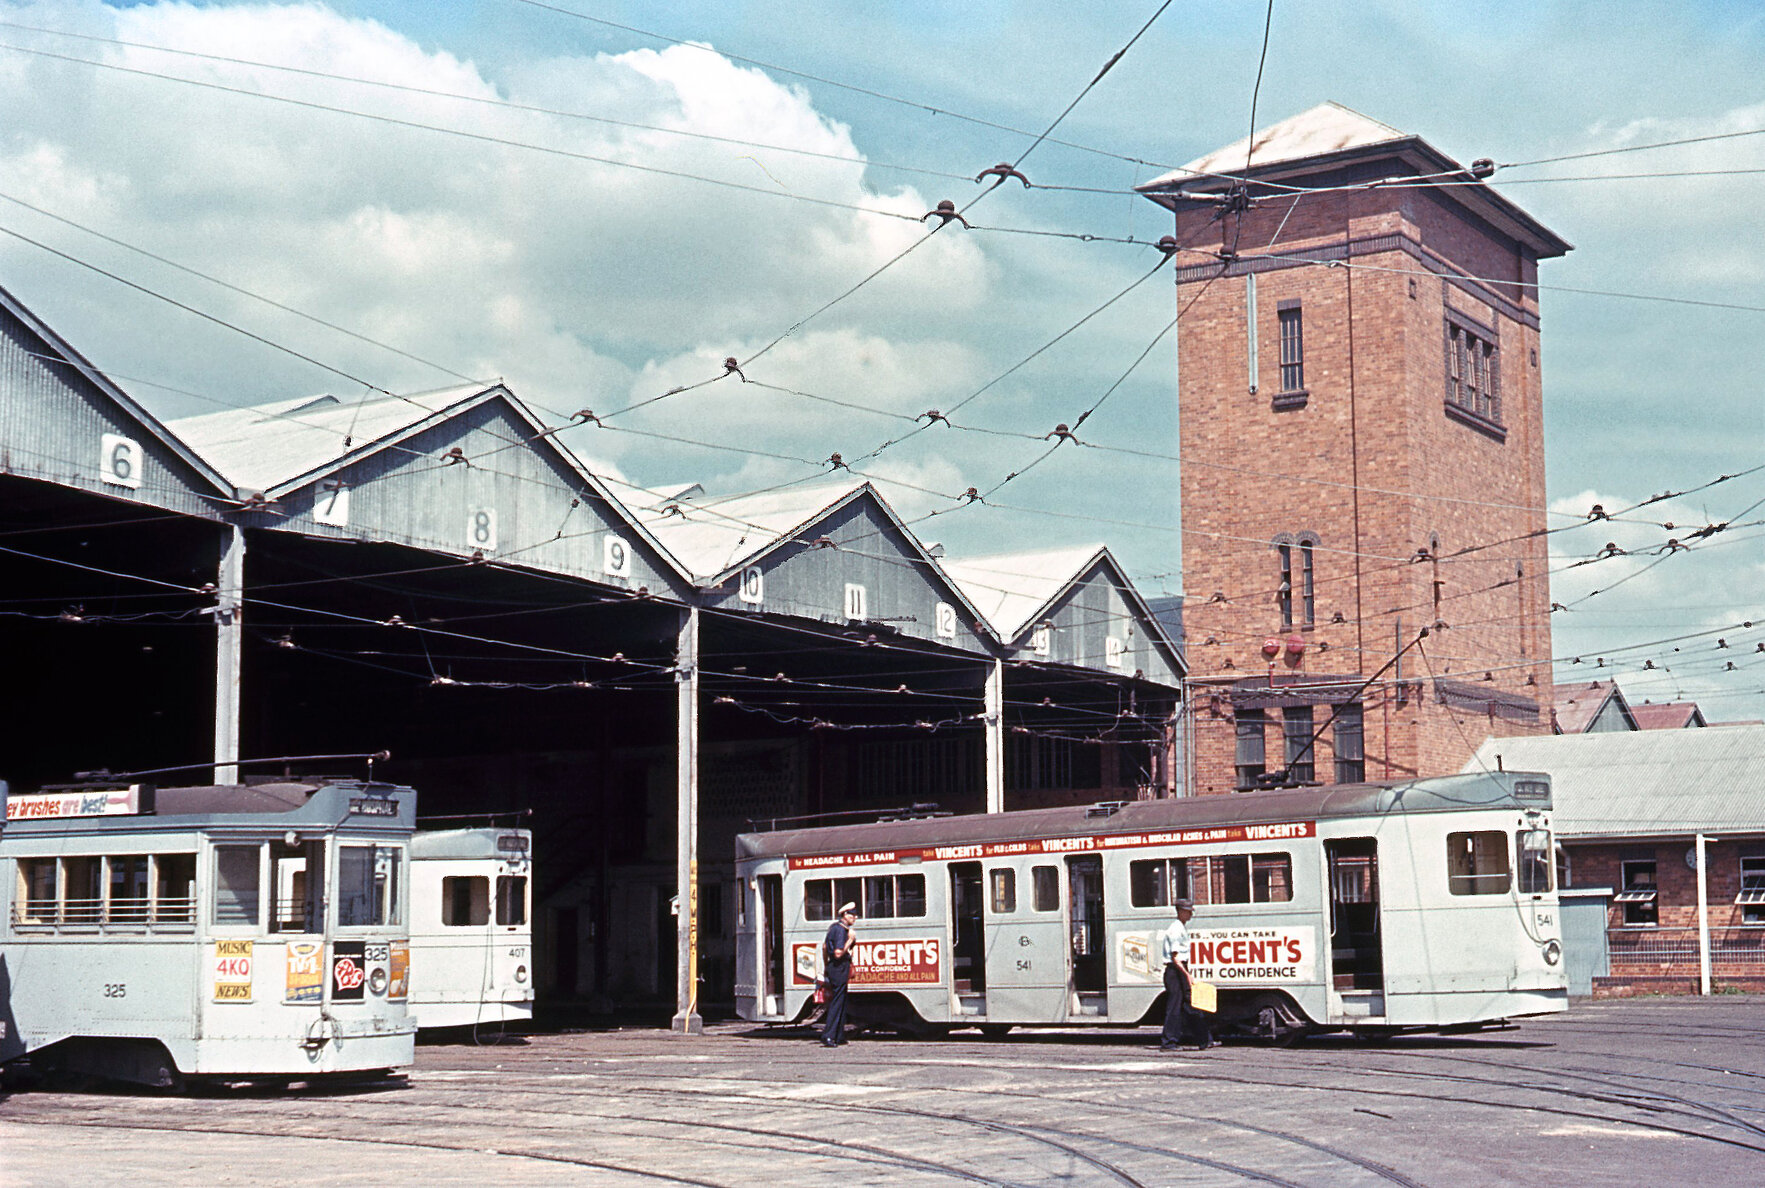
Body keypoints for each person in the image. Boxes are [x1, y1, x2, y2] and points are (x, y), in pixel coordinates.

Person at [1159, 898, 1212, 1051]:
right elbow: (1175, 958)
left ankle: (1204, 1039)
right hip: (1176, 970)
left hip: (1178, 969)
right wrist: (1187, 975)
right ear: (1181, 911)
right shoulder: (1176, 929)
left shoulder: (1180, 927)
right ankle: (1169, 1042)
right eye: (1188, 912)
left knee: (1188, 1004)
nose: (1190, 915)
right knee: (1176, 1006)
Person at [820, 902, 858, 1047]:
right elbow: (838, 953)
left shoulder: (834, 928)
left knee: (841, 1001)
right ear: (845, 915)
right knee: (837, 1002)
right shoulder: (841, 931)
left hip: (835, 968)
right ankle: (828, 1035)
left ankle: (839, 1035)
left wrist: (825, 966)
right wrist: (850, 940)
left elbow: (824, 948)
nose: (855, 918)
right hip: (839, 967)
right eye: (853, 915)